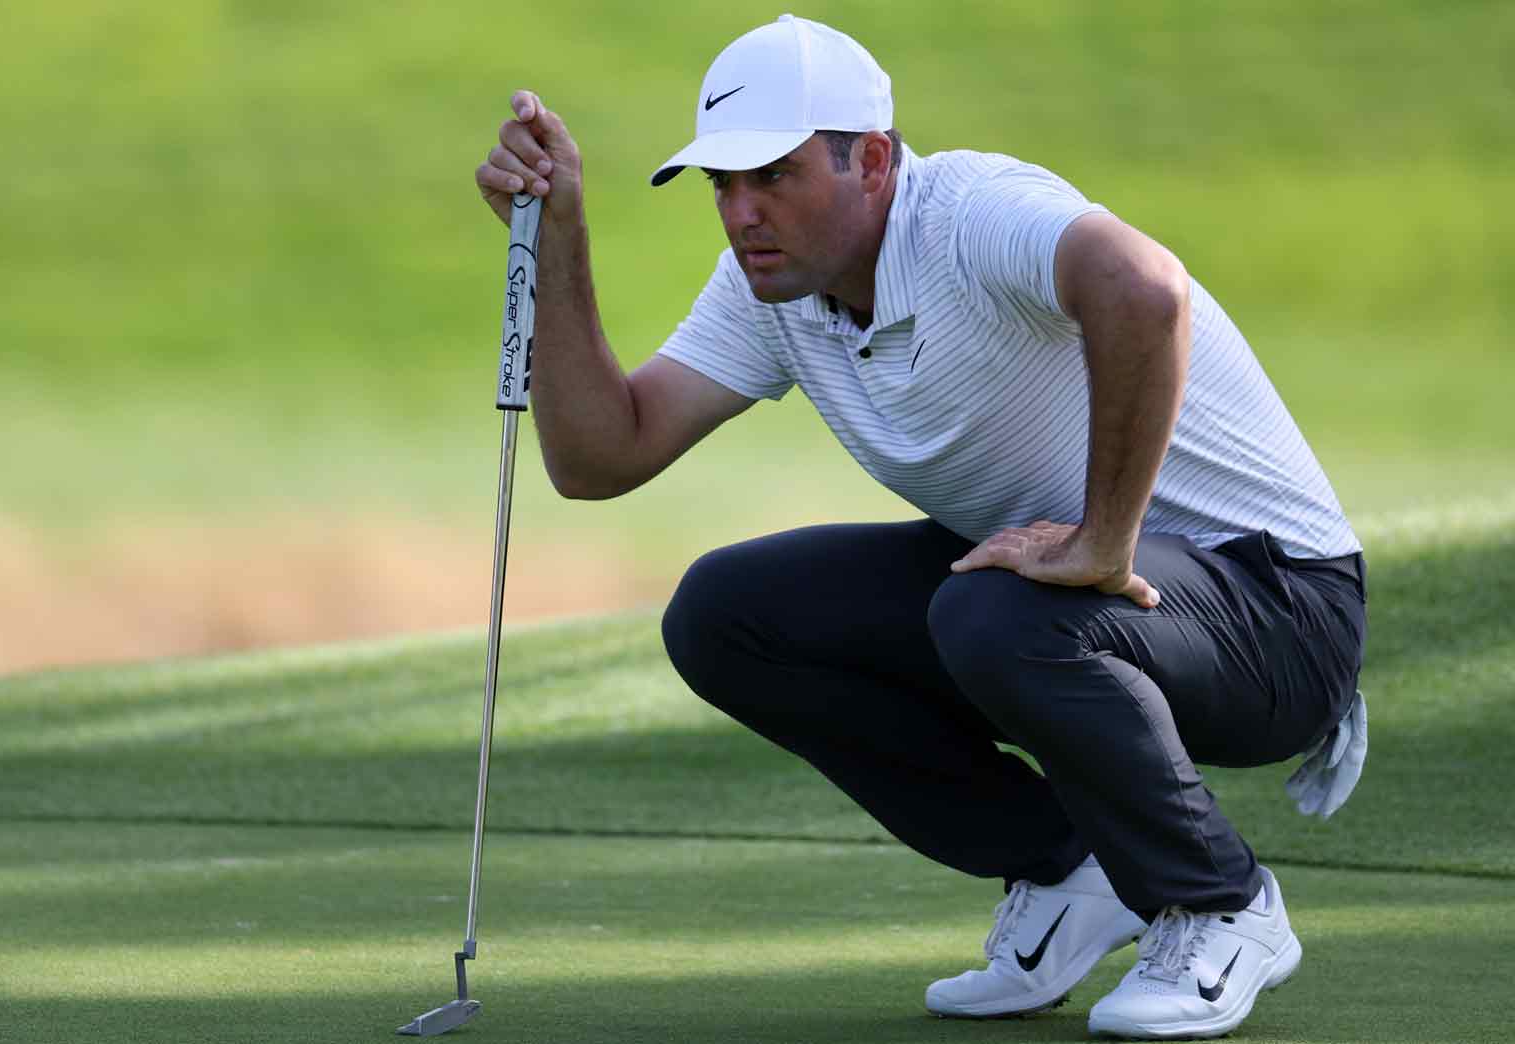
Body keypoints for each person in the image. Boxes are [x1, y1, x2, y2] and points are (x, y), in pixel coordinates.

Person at [473, 13, 1368, 1040]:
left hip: (1280, 612)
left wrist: (1099, 542)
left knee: (991, 611)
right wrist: (560, 234)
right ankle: (1069, 870)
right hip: (1072, 613)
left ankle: (1219, 904)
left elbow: (1143, 288)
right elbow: (599, 457)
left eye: (774, 175)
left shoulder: (970, 213)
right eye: (724, 184)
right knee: (727, 614)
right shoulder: (776, 288)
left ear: (872, 161)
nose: (742, 211)